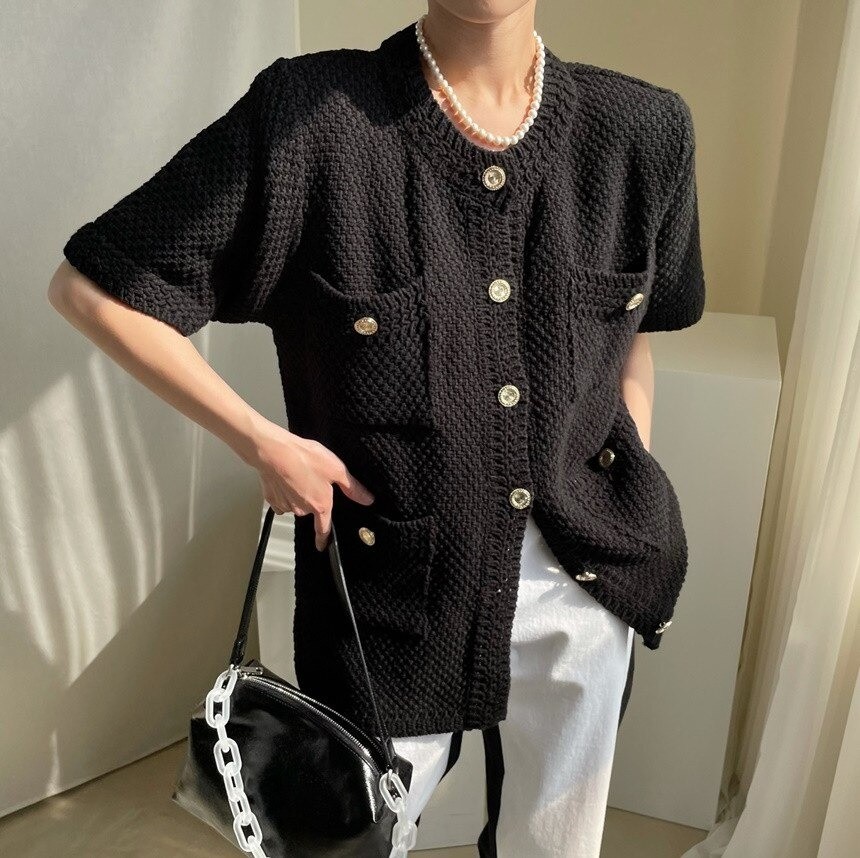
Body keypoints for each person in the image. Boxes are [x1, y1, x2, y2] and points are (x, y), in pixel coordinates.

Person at [49, 2, 705, 856]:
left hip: (586, 584)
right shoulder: (313, 119)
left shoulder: (641, 133)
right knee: (351, 844)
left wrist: (625, 471)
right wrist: (262, 442)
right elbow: (94, 289)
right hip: (387, 600)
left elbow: (632, 334)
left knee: (557, 846)